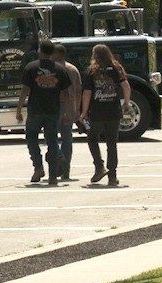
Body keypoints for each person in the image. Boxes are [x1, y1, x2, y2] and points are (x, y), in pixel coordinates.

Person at [16, 40, 71, 186]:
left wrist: (19, 108)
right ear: (52, 52)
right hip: (53, 111)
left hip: (35, 111)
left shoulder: (31, 67)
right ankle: (52, 176)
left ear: (40, 51)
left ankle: (38, 167)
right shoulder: (60, 69)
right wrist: (67, 112)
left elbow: (25, 90)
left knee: (31, 138)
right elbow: (66, 93)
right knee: (52, 141)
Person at [79, 44, 130, 186]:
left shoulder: (91, 71)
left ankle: (99, 166)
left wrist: (84, 112)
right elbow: (125, 85)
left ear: (94, 55)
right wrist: (126, 102)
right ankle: (112, 176)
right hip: (113, 111)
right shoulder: (116, 68)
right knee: (112, 143)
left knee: (92, 139)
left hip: (97, 111)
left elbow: (87, 92)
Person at [52, 44, 82, 180]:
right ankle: (66, 170)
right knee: (67, 138)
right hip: (70, 107)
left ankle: (59, 162)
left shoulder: (52, 69)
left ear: (57, 54)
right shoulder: (73, 69)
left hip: (54, 106)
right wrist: (77, 109)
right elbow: (78, 90)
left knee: (51, 137)